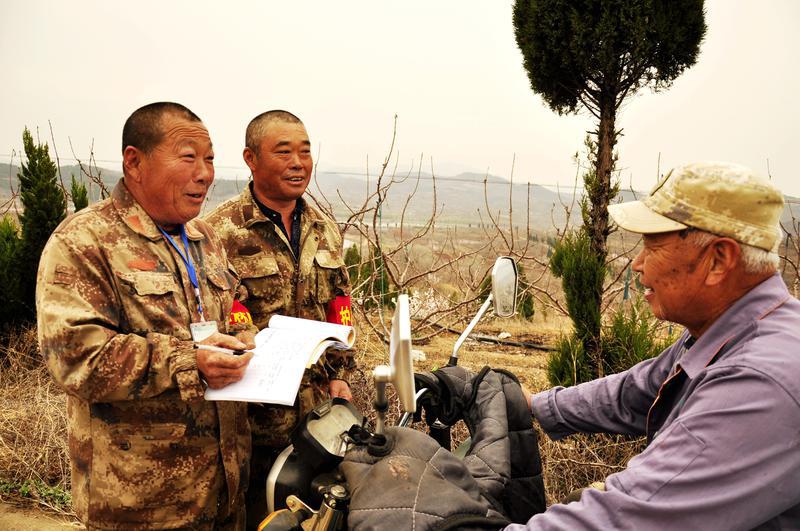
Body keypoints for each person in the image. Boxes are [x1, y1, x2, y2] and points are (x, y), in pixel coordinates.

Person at [506, 162, 800, 530]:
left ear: (718, 260)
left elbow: (628, 517)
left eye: (652, 246)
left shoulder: (760, 381)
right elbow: (635, 391)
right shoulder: (727, 331)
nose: (638, 264)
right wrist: (530, 404)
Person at [37, 102, 256, 530]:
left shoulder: (203, 237)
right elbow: (76, 358)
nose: (205, 173)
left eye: (209, 158)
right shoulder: (85, 241)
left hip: (224, 494)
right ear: (134, 162)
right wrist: (187, 360)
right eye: (188, 156)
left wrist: (246, 342)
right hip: (140, 505)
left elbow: (231, 316)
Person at [205, 110, 354, 529]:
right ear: (251, 159)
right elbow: (216, 318)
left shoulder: (323, 229)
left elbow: (339, 302)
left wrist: (340, 371)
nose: (298, 163)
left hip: (317, 422)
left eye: (305, 152)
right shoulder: (218, 232)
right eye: (283, 152)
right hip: (251, 424)